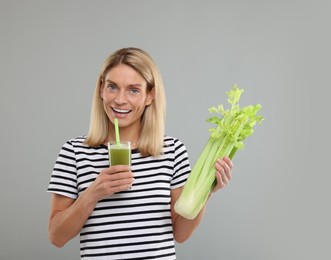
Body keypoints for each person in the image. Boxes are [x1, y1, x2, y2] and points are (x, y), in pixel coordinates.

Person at [47, 47, 233, 259]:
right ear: (101, 89)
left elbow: (180, 234)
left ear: (150, 95)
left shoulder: (172, 151)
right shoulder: (74, 152)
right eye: (112, 87)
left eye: (133, 90)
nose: (119, 100)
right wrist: (93, 193)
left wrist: (206, 191)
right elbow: (56, 236)